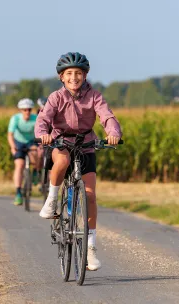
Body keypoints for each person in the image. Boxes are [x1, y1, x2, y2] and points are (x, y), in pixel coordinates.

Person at [35, 52, 122, 271]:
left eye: (78, 73)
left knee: (90, 195)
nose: (74, 77)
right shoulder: (56, 97)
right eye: (69, 74)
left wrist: (113, 132)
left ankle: (90, 248)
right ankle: (53, 199)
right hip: (61, 142)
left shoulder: (94, 96)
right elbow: (43, 119)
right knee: (62, 160)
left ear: (85, 75)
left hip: (86, 144)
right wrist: (44, 134)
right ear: (61, 77)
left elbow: (106, 116)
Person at [7, 98, 42, 206]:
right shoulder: (15, 119)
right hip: (19, 142)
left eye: (29, 110)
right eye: (24, 110)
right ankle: (18, 192)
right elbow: (10, 135)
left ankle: (36, 171)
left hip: (31, 141)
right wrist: (13, 147)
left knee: (36, 155)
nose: (27, 112)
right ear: (21, 110)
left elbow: (40, 133)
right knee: (19, 165)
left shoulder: (35, 118)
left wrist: (40, 146)